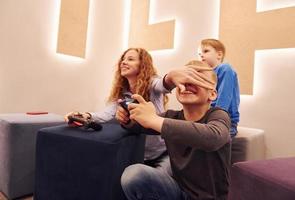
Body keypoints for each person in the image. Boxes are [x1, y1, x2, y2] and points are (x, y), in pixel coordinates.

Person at [119, 60, 231, 200]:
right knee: (135, 174)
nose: (188, 83)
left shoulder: (218, 115)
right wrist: (128, 119)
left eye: (198, 79)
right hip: (178, 192)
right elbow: (139, 126)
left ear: (212, 94)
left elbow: (213, 137)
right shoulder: (172, 116)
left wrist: (153, 119)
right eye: (184, 79)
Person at [65, 47, 171, 169]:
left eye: (130, 59)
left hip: (162, 154)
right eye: (123, 59)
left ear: (143, 65)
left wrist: (172, 78)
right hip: (139, 155)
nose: (123, 62)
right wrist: (85, 115)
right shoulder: (122, 93)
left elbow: (163, 84)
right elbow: (106, 114)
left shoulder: (153, 84)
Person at [162, 39, 240, 137]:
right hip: (203, 118)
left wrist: (217, 115)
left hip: (222, 121)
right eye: (199, 54)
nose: (201, 55)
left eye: (206, 51)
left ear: (219, 55)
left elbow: (225, 97)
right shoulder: (205, 73)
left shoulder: (225, 69)